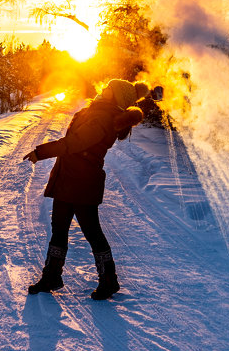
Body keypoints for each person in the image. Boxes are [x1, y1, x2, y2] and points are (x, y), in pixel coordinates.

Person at [25, 78, 148, 300]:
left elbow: (73, 143)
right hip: (69, 178)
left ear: (115, 96)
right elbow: (72, 141)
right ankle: (52, 276)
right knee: (59, 229)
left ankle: (109, 280)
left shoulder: (103, 118)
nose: (104, 89)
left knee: (92, 232)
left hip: (83, 182)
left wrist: (40, 152)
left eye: (109, 89)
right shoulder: (98, 111)